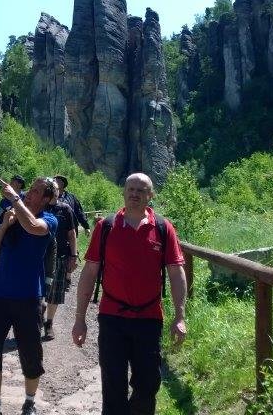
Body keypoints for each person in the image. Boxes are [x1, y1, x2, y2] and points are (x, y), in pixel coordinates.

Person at [71, 173, 187, 415]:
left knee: (148, 384)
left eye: (141, 190)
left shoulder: (163, 228)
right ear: (124, 192)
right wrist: (80, 319)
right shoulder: (106, 227)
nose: (135, 194)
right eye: (131, 189)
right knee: (113, 384)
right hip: (112, 317)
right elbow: (90, 272)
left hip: (149, 318)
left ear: (150, 195)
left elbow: (176, 273)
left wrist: (180, 316)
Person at [0, 176, 58, 415]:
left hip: (29, 299)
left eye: (36, 192)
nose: (29, 194)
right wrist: (4, 225)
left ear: (46, 199)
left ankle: (29, 403)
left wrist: (14, 198)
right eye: (30, 189)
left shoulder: (49, 220)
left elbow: (33, 226)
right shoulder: (10, 215)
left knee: (31, 355)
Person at [41, 179, 77, 341]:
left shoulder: (65, 209)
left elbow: (72, 234)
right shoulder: (39, 206)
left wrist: (73, 256)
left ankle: (49, 323)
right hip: (39, 255)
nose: (54, 191)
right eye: (51, 188)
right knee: (37, 290)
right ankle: (37, 317)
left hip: (60, 256)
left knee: (54, 293)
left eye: (56, 189)